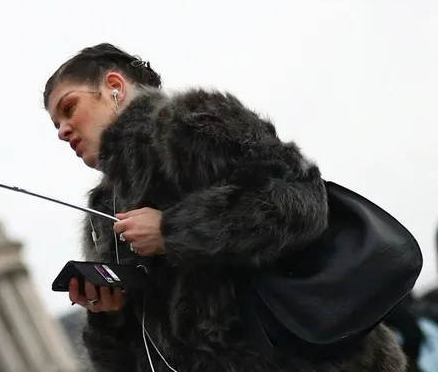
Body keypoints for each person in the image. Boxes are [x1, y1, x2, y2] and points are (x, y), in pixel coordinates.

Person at [44, 43, 406, 372]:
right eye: (56, 124)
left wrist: (173, 231)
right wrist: (107, 316)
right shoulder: (102, 211)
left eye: (69, 108)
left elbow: (302, 200)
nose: (63, 130)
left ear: (114, 87)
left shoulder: (188, 122)